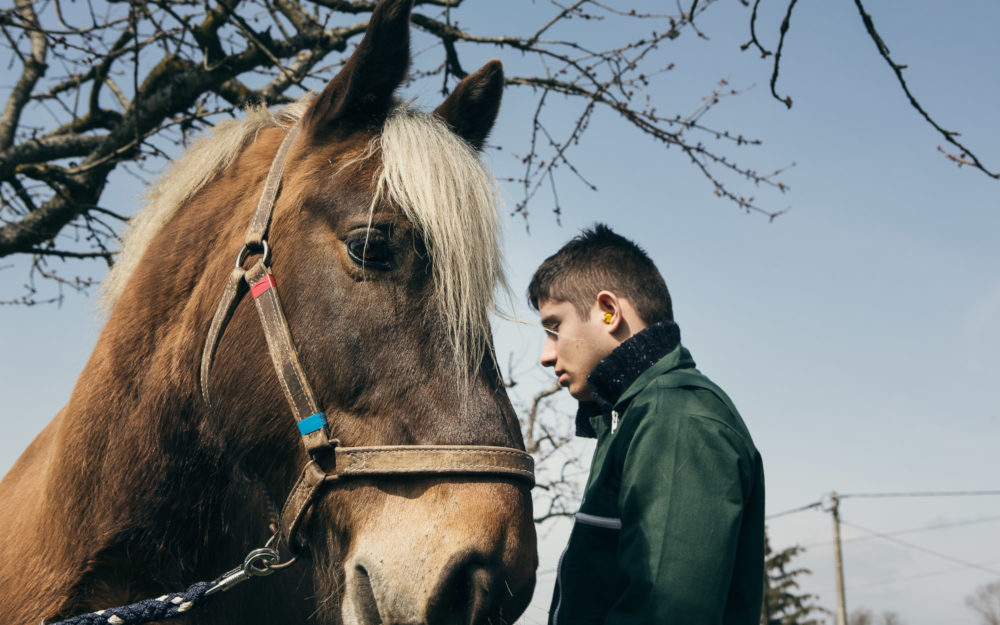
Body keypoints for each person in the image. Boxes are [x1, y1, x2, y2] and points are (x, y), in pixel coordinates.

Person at [528, 224, 765, 625]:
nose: (546, 355)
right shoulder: (632, 417)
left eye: (554, 328)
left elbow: (665, 612)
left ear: (609, 311)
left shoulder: (677, 418)